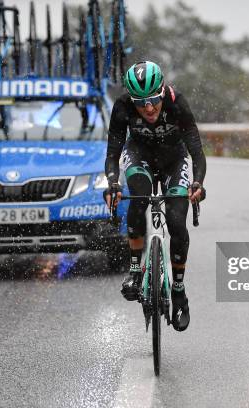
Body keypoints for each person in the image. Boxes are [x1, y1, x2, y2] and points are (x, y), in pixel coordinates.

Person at [104, 60, 206, 332]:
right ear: (131, 98)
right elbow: (113, 151)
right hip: (140, 156)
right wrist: (113, 183)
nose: (148, 108)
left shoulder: (177, 103)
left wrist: (197, 182)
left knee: (175, 221)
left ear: (162, 91)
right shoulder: (122, 106)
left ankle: (179, 290)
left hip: (175, 159)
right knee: (137, 201)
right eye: (140, 101)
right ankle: (136, 270)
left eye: (153, 99)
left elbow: (196, 150)